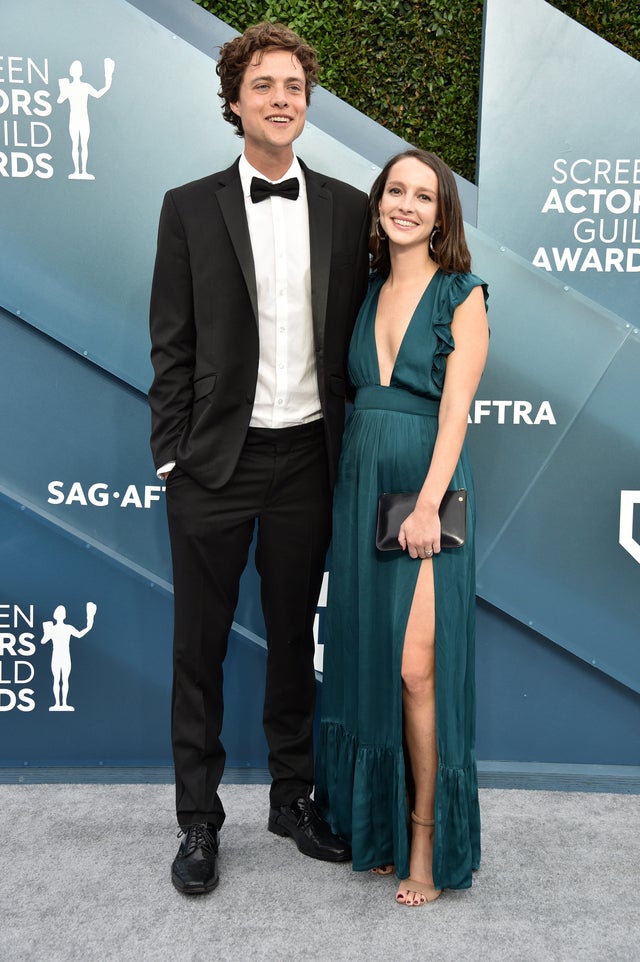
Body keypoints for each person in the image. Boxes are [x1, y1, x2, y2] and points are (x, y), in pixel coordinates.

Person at [148, 22, 369, 895]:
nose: (283, 99)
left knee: (291, 642)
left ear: (307, 105)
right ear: (234, 100)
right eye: (265, 85)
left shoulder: (349, 209)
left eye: (296, 88)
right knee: (197, 649)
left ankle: (292, 797)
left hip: (307, 461)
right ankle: (198, 821)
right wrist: (173, 455)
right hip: (213, 465)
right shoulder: (187, 207)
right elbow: (171, 343)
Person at [315, 149, 489, 906]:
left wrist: (428, 501)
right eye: (396, 191)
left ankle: (423, 831)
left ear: (443, 213)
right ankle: (380, 825)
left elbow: (456, 413)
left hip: (427, 485)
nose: (407, 205)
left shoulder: (463, 293)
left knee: (419, 667)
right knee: (372, 660)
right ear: (379, 203)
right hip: (361, 483)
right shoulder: (366, 290)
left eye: (424, 196)